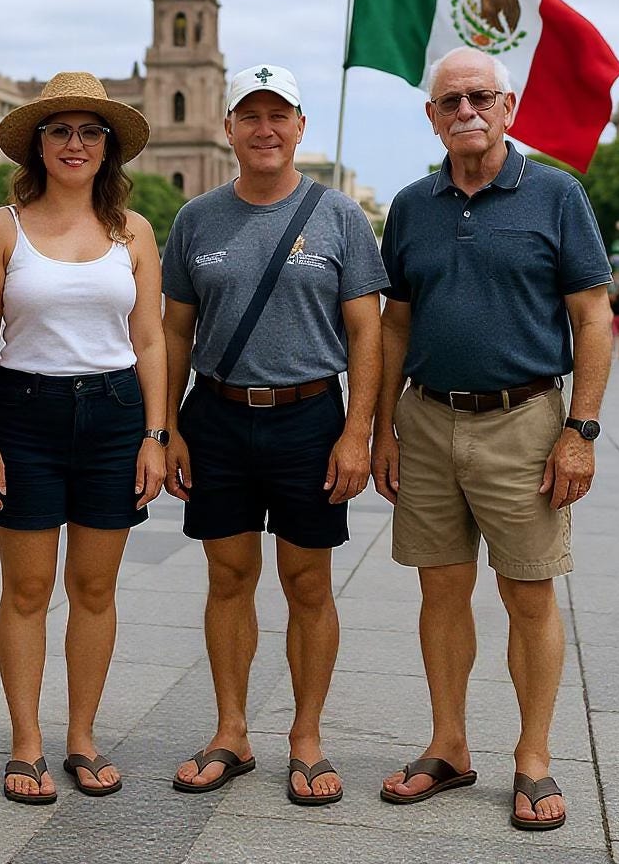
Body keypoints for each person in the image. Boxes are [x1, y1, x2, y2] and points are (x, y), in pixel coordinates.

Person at [373, 47, 612, 831]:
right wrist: (382, 428)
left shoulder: (556, 194)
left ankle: (533, 758)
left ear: (508, 108)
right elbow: (396, 322)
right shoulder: (412, 205)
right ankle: (448, 745)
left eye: (481, 97)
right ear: (432, 117)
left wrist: (579, 432)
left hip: (526, 422)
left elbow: (592, 319)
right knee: (440, 592)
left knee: (528, 594)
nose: (466, 111)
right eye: (450, 101)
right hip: (427, 420)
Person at [162, 65, 386, 805]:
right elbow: (174, 331)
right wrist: (166, 428)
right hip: (218, 417)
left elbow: (367, 333)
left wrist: (357, 432)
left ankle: (306, 738)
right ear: (228, 127)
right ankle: (231, 731)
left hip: (309, 419)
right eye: (250, 116)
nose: (265, 129)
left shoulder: (340, 216)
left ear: (300, 126)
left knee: (308, 584)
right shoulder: (196, 219)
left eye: (278, 115)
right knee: (228, 579)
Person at [0, 72, 165, 804]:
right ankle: (26, 742)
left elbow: (150, 339)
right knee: (26, 589)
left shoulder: (133, 231)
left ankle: (82, 736)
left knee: (94, 588)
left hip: (114, 415)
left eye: (89, 131)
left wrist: (155, 434)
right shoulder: (2, 227)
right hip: (24, 414)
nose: (74, 144)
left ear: (107, 146)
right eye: (60, 131)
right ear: (38, 144)